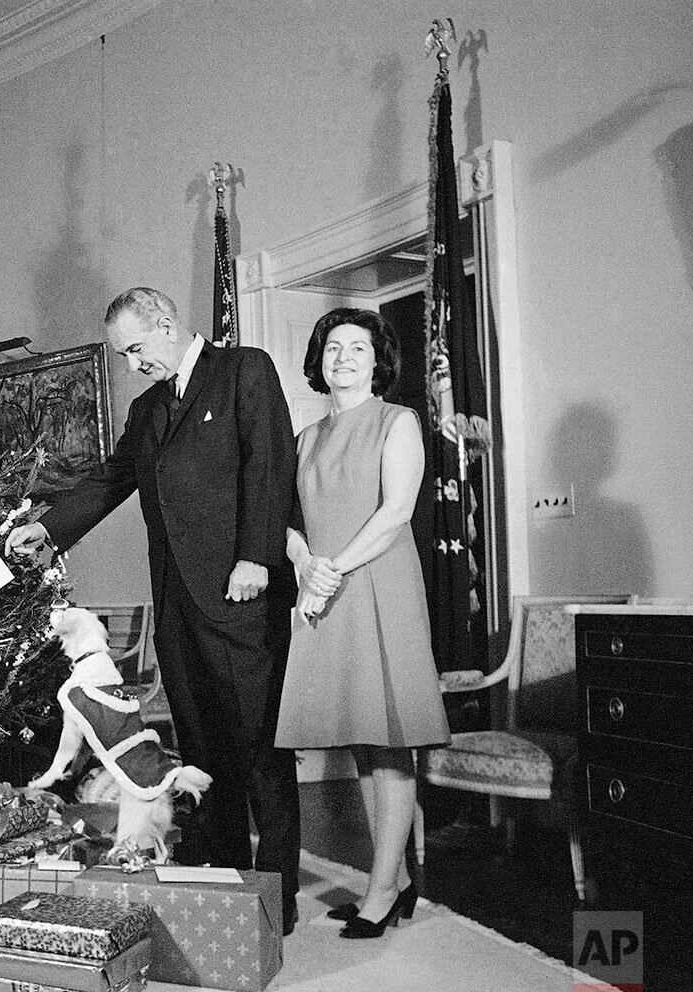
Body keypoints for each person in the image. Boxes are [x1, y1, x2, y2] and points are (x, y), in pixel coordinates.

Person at [7, 286, 301, 931]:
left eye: (137, 348)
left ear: (166, 325)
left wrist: (256, 558)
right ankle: (225, 877)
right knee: (200, 748)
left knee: (257, 746)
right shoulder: (146, 409)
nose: (134, 364)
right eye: (125, 355)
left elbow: (270, 465)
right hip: (176, 602)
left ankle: (278, 896)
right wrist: (50, 530)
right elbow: (114, 480)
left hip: (240, 592)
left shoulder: (243, 370)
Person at [275, 307, 451, 939]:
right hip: (325, 589)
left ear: (379, 360)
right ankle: (394, 879)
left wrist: (333, 569)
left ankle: (382, 890)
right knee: (359, 734)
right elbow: (288, 521)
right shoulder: (305, 438)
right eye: (332, 348)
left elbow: (397, 511)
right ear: (319, 361)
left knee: (389, 737)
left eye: (357, 348)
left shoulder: (397, 421)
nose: (343, 358)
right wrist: (305, 565)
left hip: (378, 584)